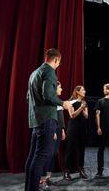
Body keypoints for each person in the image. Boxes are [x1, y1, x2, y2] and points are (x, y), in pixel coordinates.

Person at [25, 48, 72, 191]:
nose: (58, 65)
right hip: (46, 119)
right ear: (56, 60)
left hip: (36, 119)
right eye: (59, 62)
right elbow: (48, 96)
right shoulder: (50, 72)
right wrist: (63, 103)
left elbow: (28, 98)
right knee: (40, 157)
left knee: (33, 155)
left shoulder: (34, 73)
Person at [40, 81, 67, 189]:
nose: (61, 89)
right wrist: (53, 131)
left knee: (54, 154)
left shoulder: (58, 101)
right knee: (48, 155)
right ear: (54, 88)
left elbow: (60, 118)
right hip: (52, 129)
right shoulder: (50, 101)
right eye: (60, 87)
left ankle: (47, 178)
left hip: (59, 129)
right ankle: (42, 181)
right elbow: (50, 118)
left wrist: (62, 130)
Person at [64, 86, 88, 180]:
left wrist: (83, 107)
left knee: (81, 150)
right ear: (77, 92)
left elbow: (86, 116)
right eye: (83, 90)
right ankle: (66, 172)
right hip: (73, 128)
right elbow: (72, 115)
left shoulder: (84, 102)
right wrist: (81, 108)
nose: (84, 91)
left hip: (82, 128)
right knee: (70, 149)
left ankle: (81, 170)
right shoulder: (71, 102)